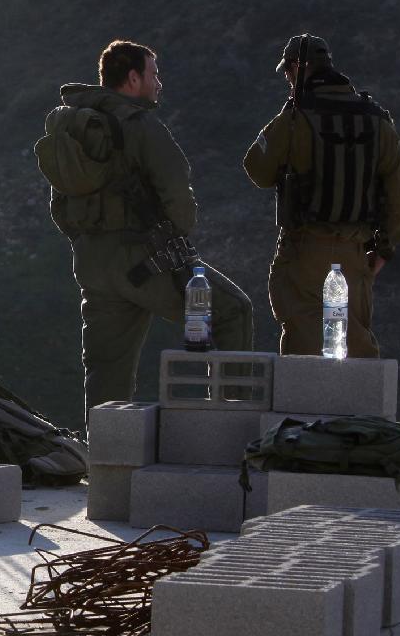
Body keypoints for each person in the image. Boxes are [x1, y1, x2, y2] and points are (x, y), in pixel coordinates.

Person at [49, 39, 254, 419]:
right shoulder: (141, 126)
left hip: (91, 262)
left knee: (107, 366)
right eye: (154, 74)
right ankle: (231, 425)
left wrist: (90, 240)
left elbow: (59, 204)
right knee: (233, 311)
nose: (159, 83)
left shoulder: (77, 128)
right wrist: (174, 236)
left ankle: (105, 459)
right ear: (132, 78)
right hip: (145, 260)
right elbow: (177, 191)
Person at [242, 34, 400, 357]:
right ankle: (358, 406)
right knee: (355, 345)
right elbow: (398, 203)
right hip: (355, 254)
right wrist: (384, 249)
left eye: (288, 74)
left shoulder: (295, 119)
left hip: (304, 250)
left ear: (295, 69)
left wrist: (287, 117)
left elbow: (256, 169)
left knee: (304, 345)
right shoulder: (378, 121)